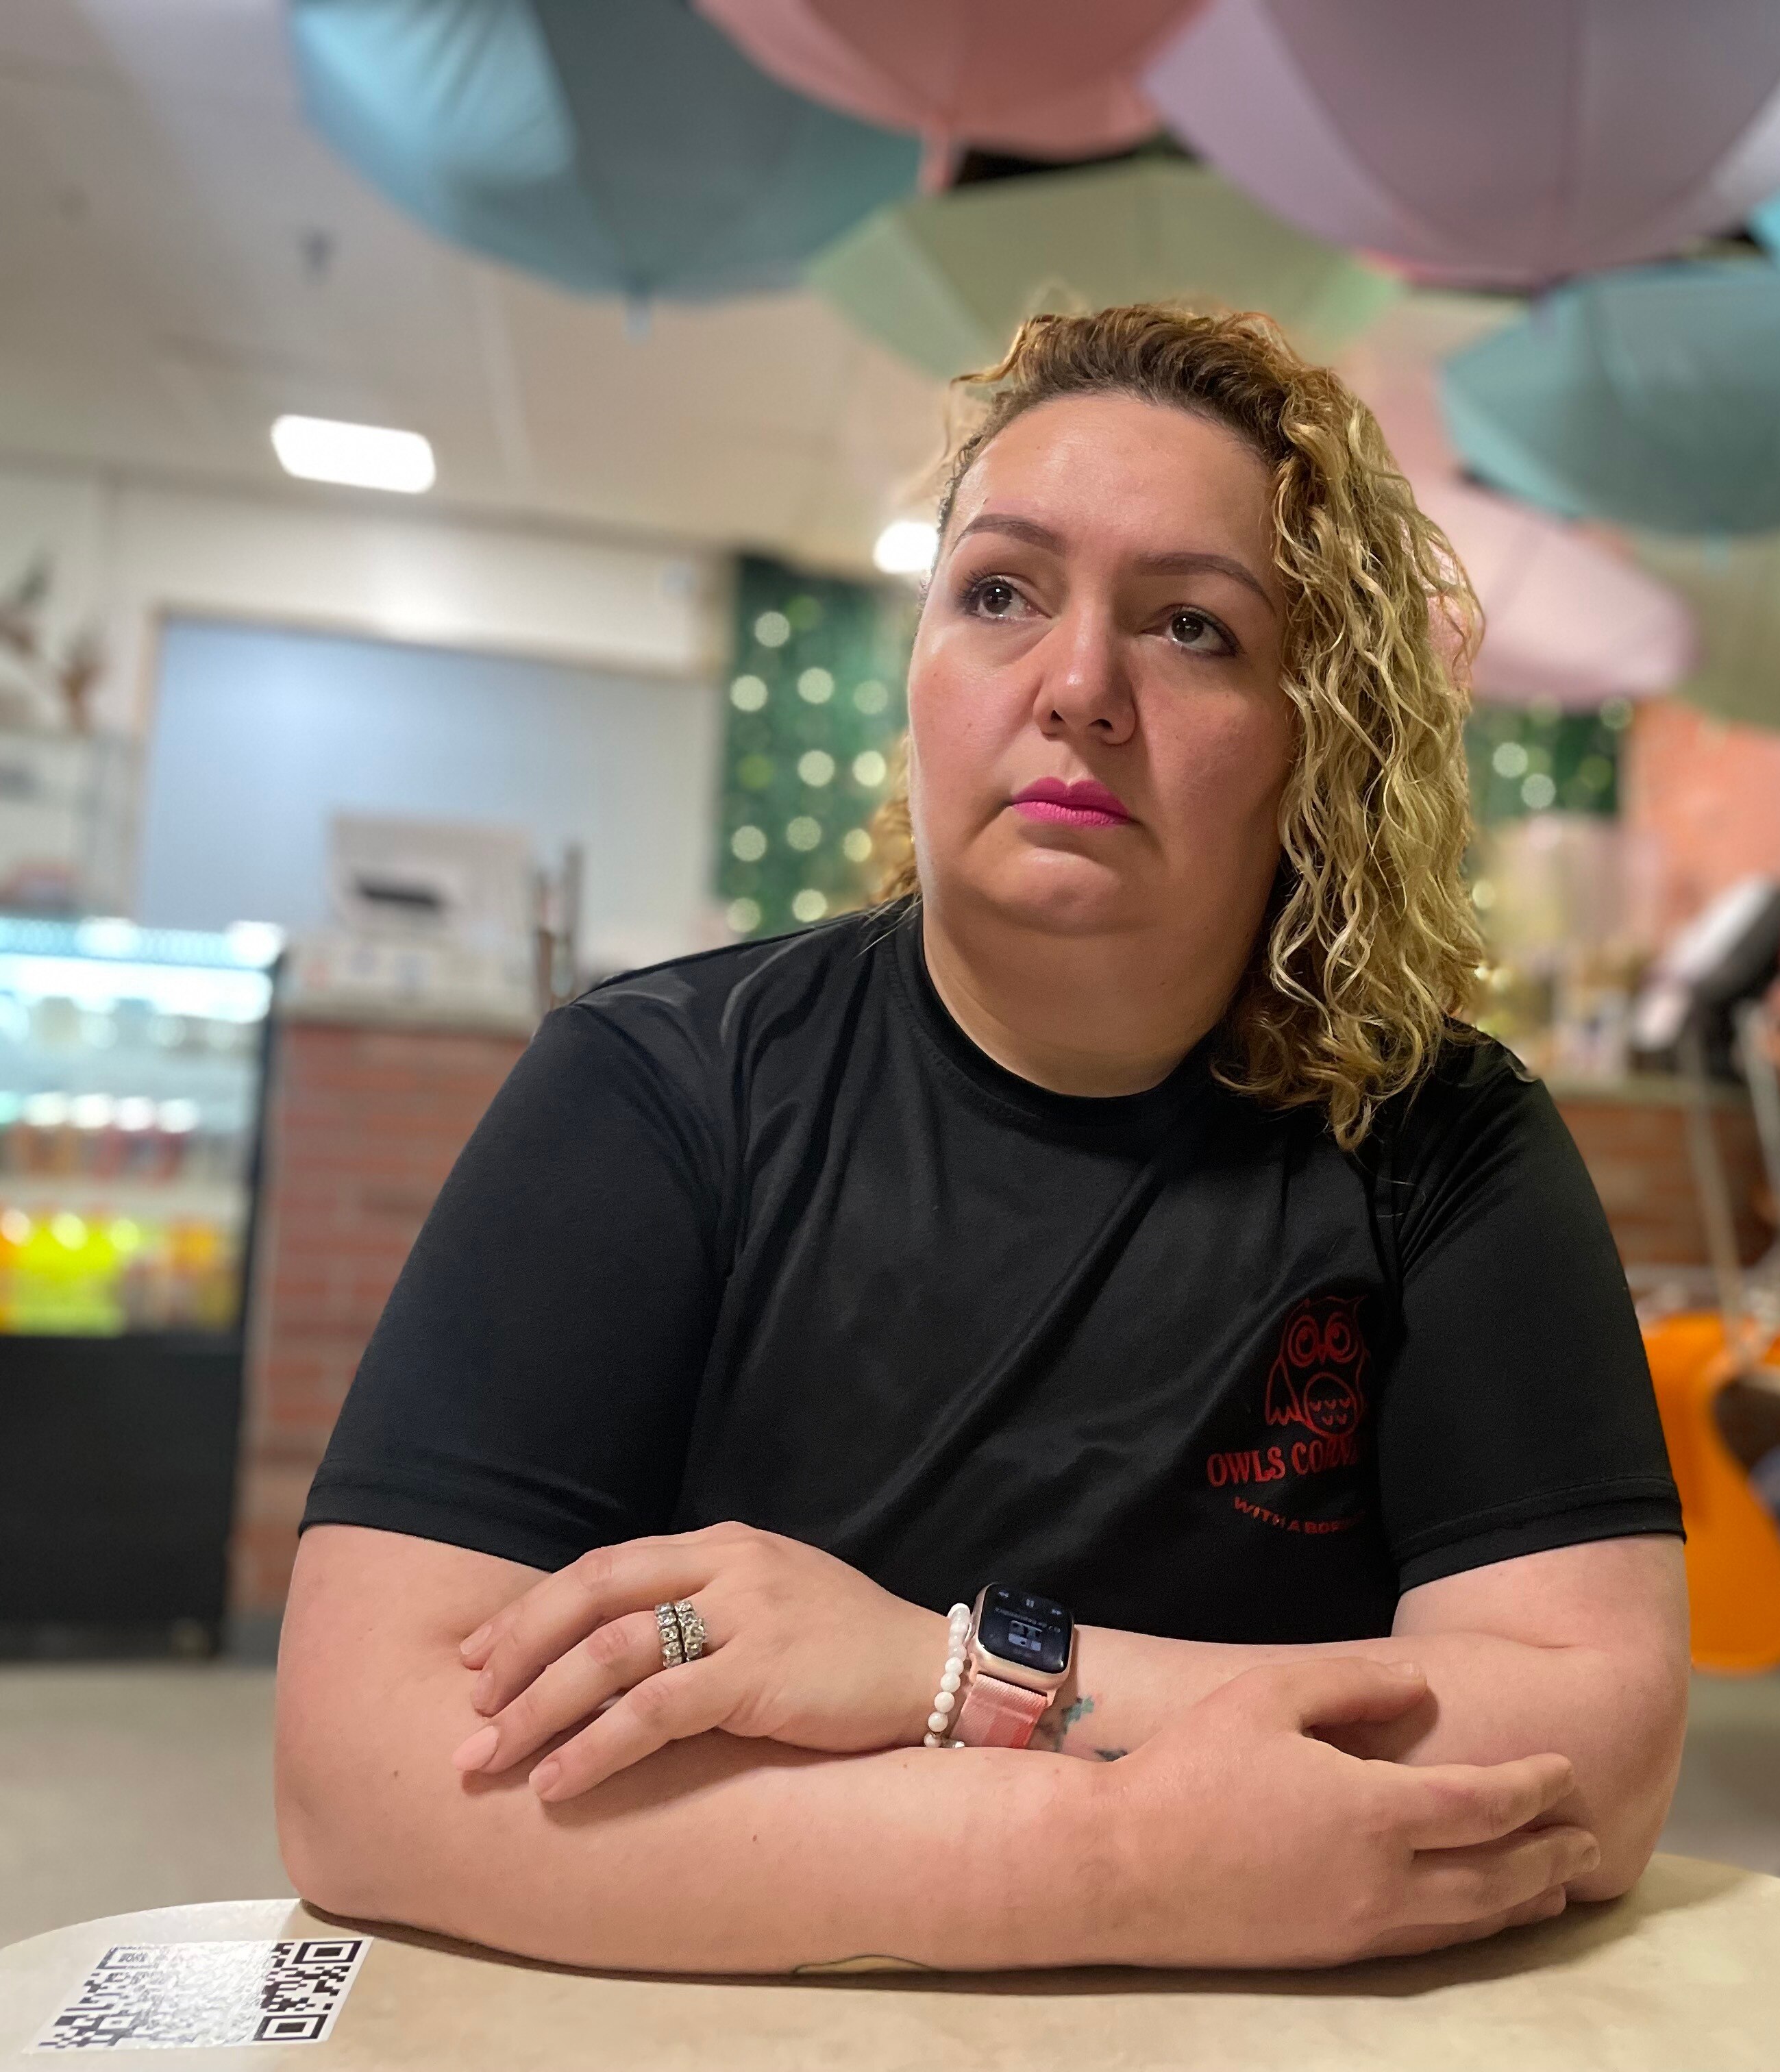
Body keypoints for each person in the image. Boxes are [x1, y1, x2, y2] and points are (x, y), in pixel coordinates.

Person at [274, 305, 1688, 1977]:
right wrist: (1119, 1862)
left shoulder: (1442, 1139)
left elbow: (1592, 1750)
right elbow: (362, 1774)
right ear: (925, 671)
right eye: (1001, 593)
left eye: (1191, 627)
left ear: (1315, 738)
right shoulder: (656, 1084)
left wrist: (948, 1673)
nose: (1078, 687)